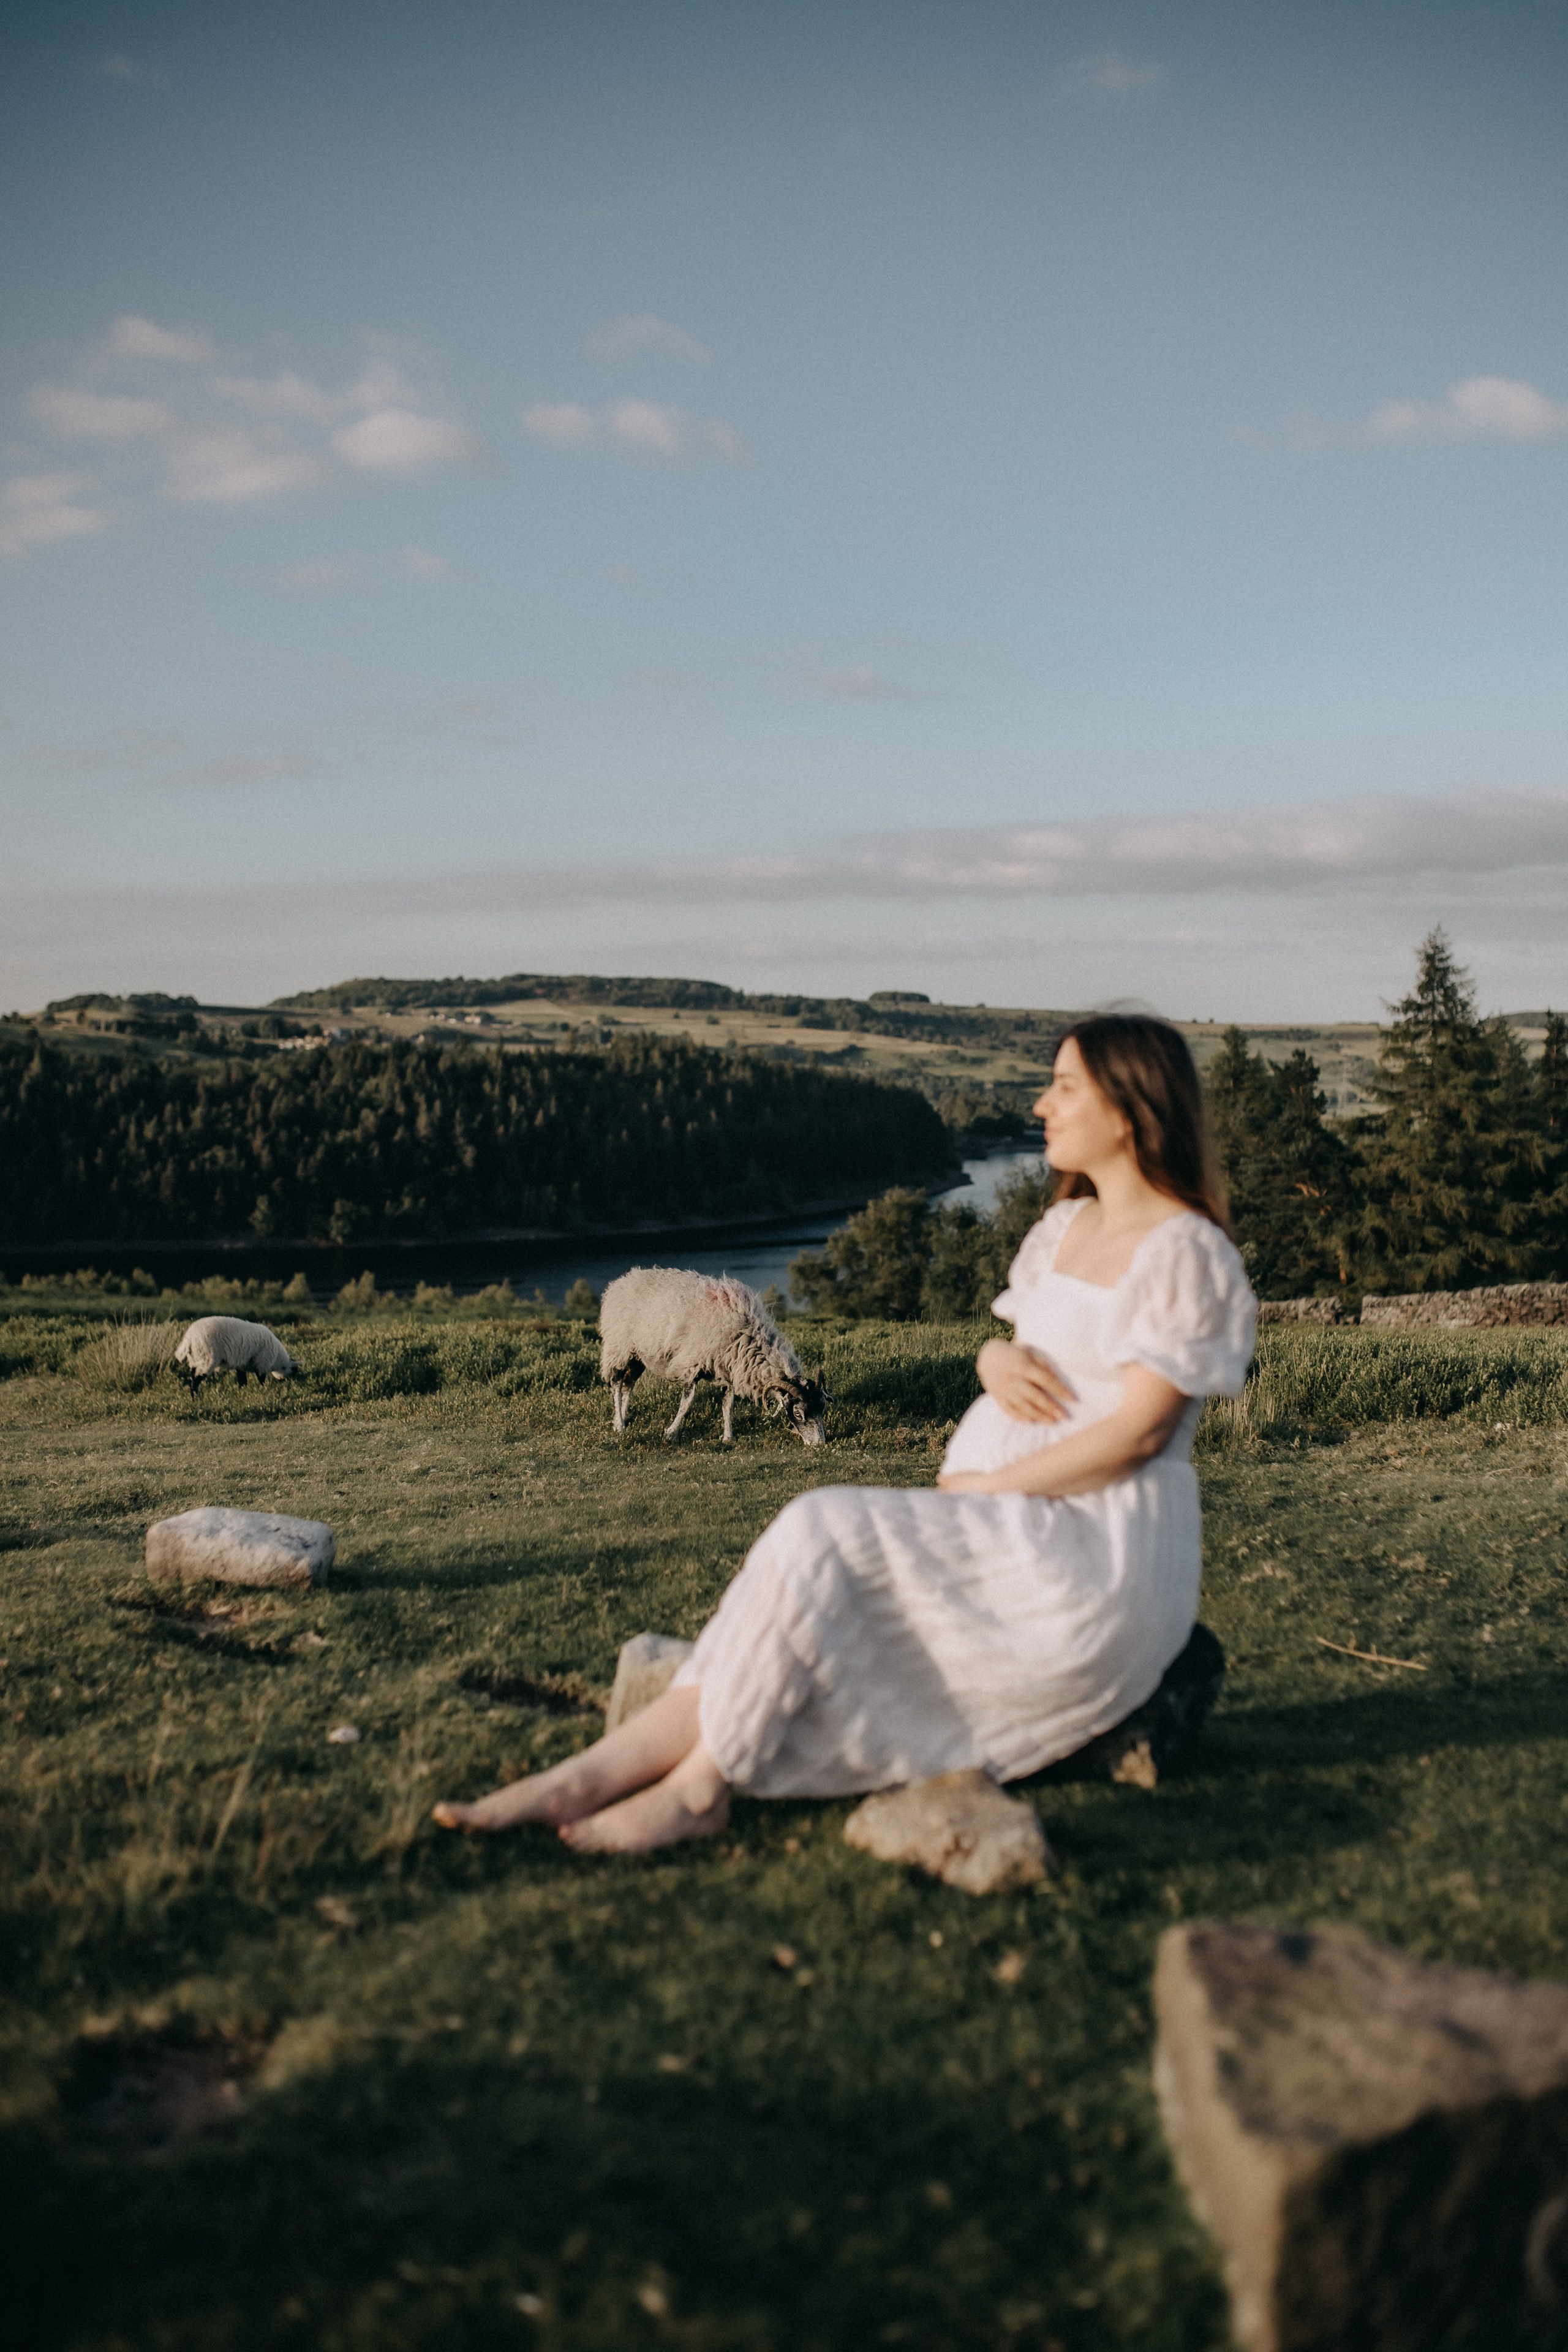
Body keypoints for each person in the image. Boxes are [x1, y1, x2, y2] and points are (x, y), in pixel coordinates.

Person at [432, 1013, 1257, 1854]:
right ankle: (595, 1775)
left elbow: (1140, 1433)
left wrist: (986, 1486)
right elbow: (1034, 1354)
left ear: (1129, 1109)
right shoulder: (1062, 1230)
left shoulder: (1184, 1251)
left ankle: (698, 1788)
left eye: (1065, 1086)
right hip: (1010, 1527)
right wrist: (990, 1362)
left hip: (1091, 1554)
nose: (1042, 1104)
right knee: (802, 1557)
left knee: (823, 1526)